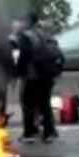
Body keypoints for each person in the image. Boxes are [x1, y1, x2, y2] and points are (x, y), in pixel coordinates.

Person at [15, 12, 60, 143]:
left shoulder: (26, 36)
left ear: (28, 21)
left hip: (32, 76)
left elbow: (24, 56)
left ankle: (29, 134)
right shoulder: (46, 35)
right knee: (45, 104)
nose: (20, 24)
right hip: (47, 76)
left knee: (27, 104)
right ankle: (49, 133)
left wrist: (18, 72)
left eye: (22, 20)